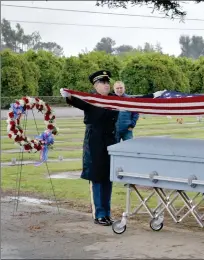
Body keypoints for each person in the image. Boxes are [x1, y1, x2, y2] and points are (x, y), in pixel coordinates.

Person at [60, 70, 165, 226]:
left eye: (108, 83)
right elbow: (76, 101)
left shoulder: (114, 99)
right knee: (97, 178)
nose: (107, 85)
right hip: (94, 142)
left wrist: (153, 96)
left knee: (108, 178)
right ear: (95, 85)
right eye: (103, 83)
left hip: (111, 140)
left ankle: (107, 213)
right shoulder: (91, 99)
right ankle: (99, 214)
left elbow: (133, 101)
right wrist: (67, 96)